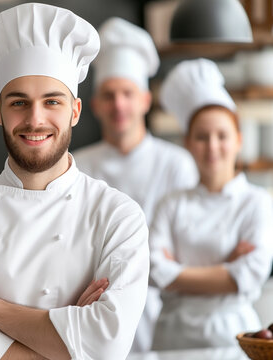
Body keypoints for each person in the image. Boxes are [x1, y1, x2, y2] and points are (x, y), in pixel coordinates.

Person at [0, 3, 149, 360]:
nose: (35, 119)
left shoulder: (118, 216)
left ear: (75, 111)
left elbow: (108, 344)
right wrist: (68, 344)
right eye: (19, 102)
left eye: (51, 102)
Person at [72, 17, 198, 353]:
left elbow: (187, 247)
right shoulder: (75, 165)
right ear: (95, 105)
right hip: (90, 310)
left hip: (164, 314)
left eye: (127, 93)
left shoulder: (177, 164)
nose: (119, 105)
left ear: (145, 99)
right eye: (109, 95)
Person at [149, 58, 273, 350]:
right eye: (202, 137)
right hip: (172, 337)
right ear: (187, 143)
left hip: (233, 336)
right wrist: (226, 266)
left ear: (239, 140)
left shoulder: (257, 202)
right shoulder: (170, 204)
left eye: (222, 136)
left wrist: (178, 272)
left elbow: (251, 272)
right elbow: (155, 271)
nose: (212, 146)